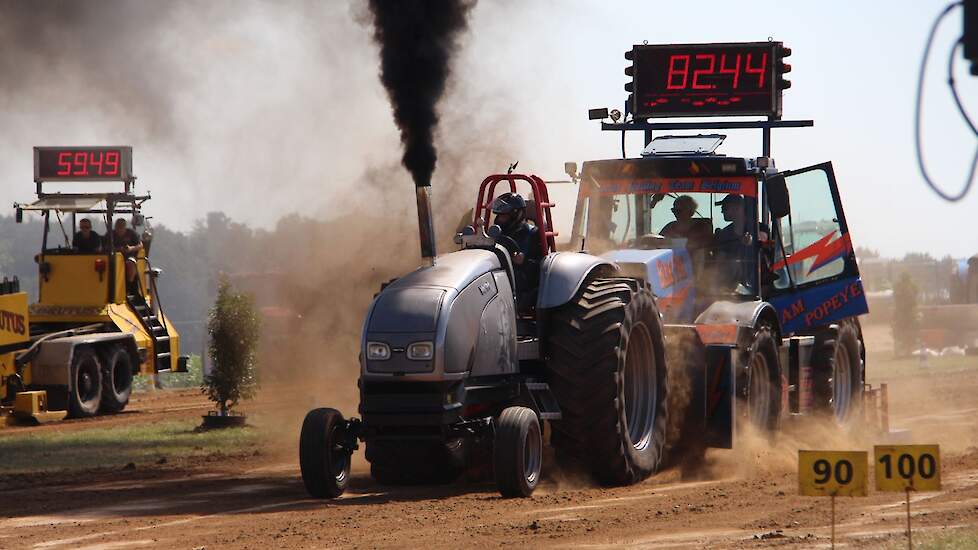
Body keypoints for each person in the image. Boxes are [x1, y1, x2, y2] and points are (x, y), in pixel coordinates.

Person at [491, 192, 543, 309]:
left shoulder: (533, 234)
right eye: (498, 216)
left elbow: (540, 267)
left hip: (522, 285)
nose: (499, 220)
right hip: (497, 276)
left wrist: (523, 261)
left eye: (503, 216)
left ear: (516, 215)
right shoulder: (495, 234)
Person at [105, 218, 143, 292]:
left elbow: (140, 245)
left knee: (130, 264)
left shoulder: (131, 233)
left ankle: (129, 287)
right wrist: (117, 249)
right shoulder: (110, 234)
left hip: (129, 257)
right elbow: (105, 246)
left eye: (121, 227)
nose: (119, 229)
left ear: (125, 227)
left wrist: (130, 249)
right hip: (113, 258)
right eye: (118, 227)